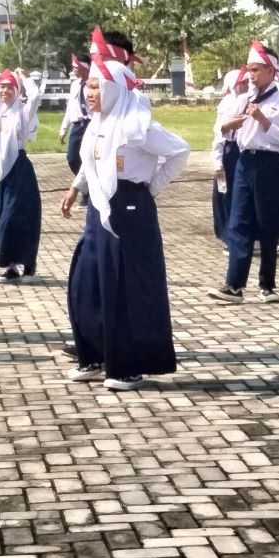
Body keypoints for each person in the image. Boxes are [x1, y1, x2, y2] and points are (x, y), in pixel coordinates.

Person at [60, 56, 190, 390]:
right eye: (88, 86)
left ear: (114, 88)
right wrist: (76, 190)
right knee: (87, 282)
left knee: (126, 287)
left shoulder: (136, 125)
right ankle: (95, 355)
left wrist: (151, 188)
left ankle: (127, 366)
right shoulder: (97, 123)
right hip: (99, 209)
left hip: (130, 211)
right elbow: (92, 164)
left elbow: (179, 151)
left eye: (96, 86)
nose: (90, 93)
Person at [207, 41, 279, 304]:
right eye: (249, 69)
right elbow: (221, 129)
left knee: (267, 224)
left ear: (271, 71)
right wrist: (228, 126)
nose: (251, 75)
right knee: (238, 222)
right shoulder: (243, 99)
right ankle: (234, 284)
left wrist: (264, 121)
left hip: (269, 164)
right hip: (244, 161)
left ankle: (268, 284)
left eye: (257, 70)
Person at [0, 69, 44, 284]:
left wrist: (24, 78)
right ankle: (11, 267)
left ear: (16, 90)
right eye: (1, 86)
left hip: (19, 171)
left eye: (9, 86)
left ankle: (29, 266)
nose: (4, 90)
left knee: (17, 219)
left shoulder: (22, 112)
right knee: (1, 221)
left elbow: (36, 96)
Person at [210, 68, 248, 244]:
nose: (247, 85)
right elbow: (219, 132)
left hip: (242, 151)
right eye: (243, 82)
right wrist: (217, 161)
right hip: (229, 152)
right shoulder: (227, 103)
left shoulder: (248, 100)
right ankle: (227, 233)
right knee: (225, 192)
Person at [59, 53, 92, 177]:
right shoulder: (75, 85)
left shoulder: (94, 84)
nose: (73, 70)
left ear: (85, 68)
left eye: (76, 67)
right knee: (72, 158)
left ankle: (90, 185)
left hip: (91, 124)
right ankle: (85, 182)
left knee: (90, 157)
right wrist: (63, 130)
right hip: (78, 126)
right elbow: (70, 108)